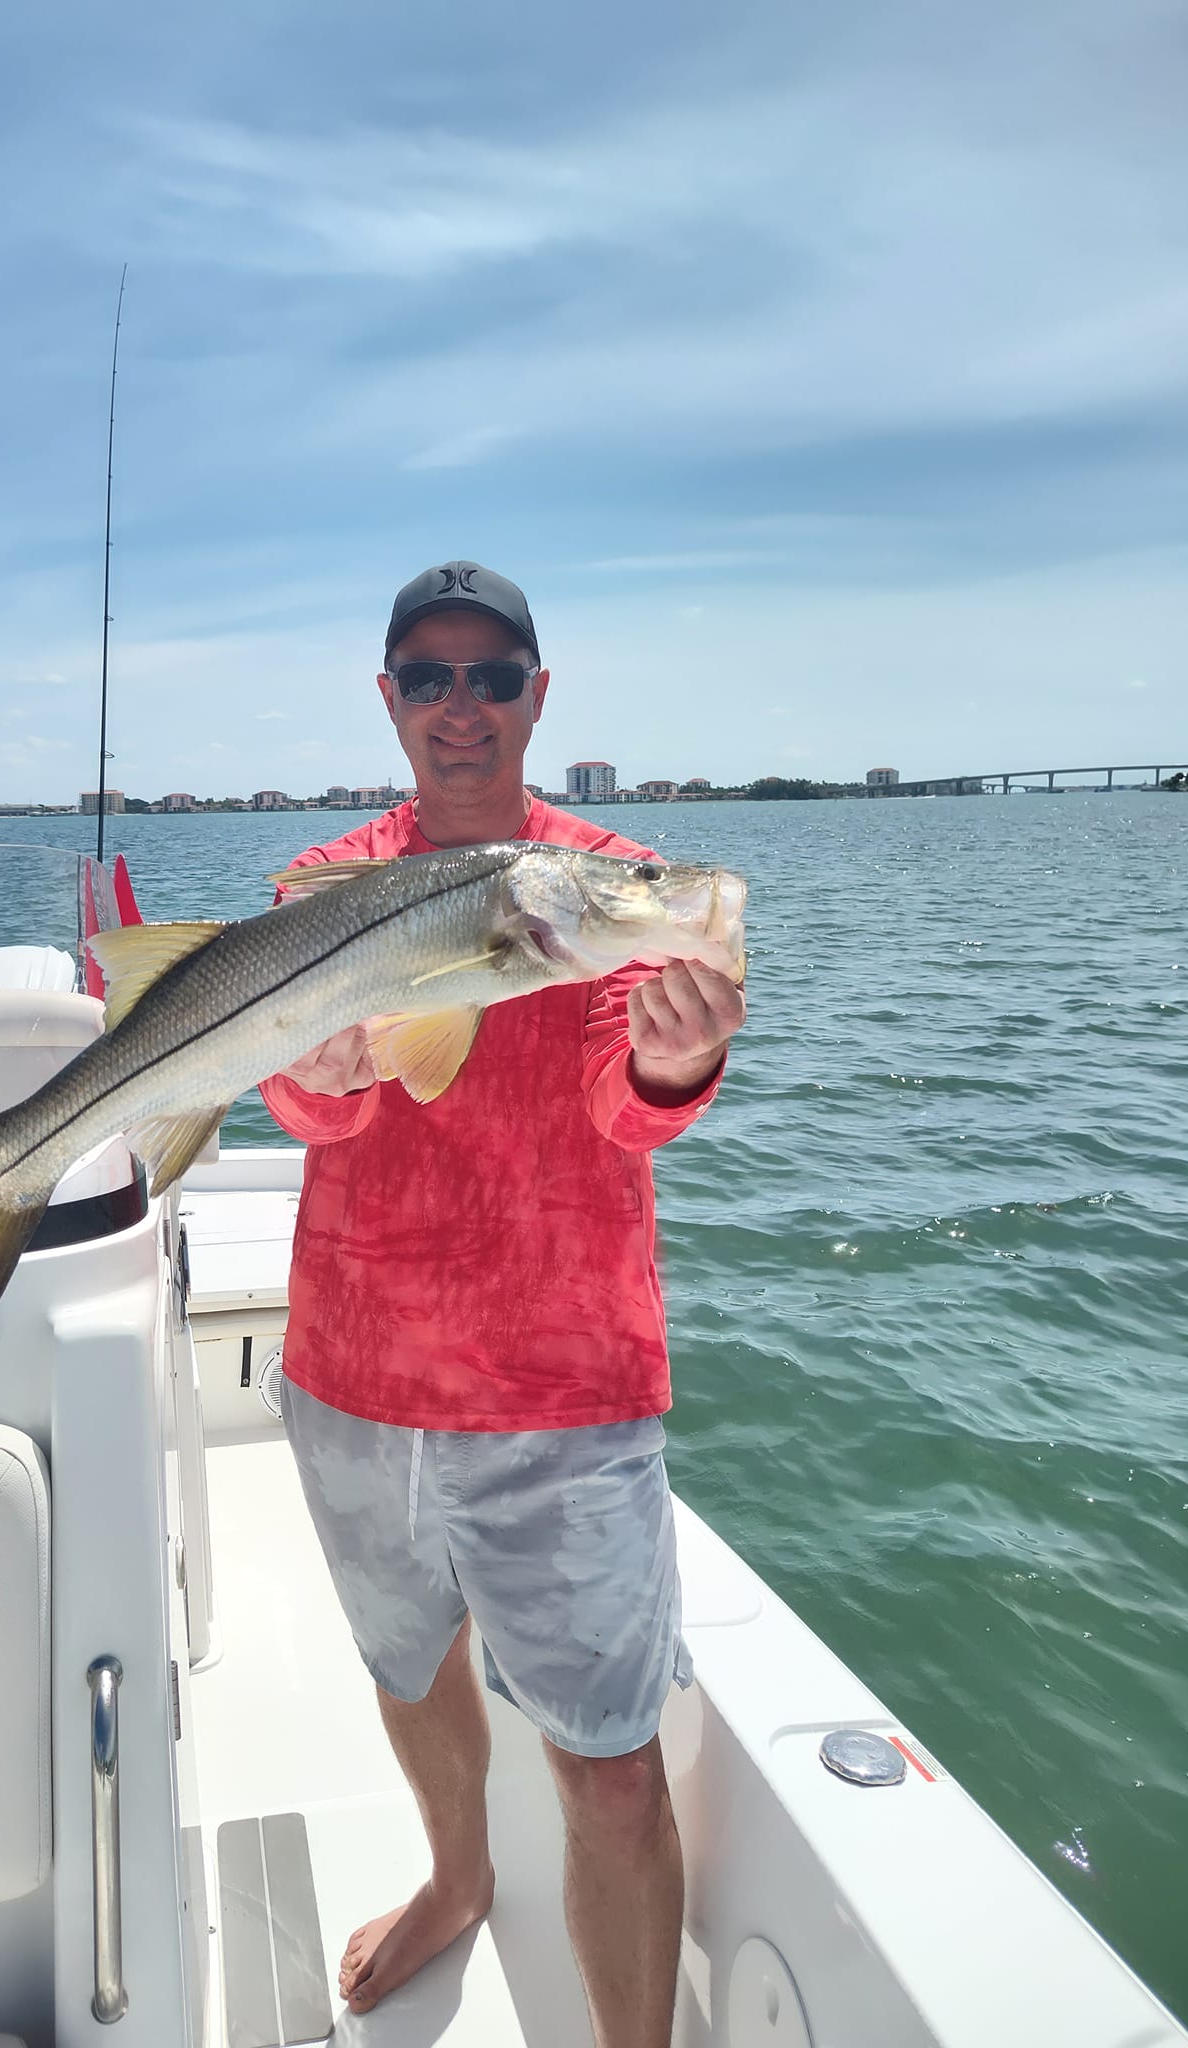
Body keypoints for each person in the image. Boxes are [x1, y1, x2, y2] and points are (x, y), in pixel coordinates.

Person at [258, 561, 745, 2047]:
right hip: (355, 1363)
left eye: (489, 677)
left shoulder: (611, 885)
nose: (457, 707)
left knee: (608, 1764)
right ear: (390, 700)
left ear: (538, 694)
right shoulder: (323, 888)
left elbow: (625, 1097)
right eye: (428, 677)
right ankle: (457, 1880)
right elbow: (308, 1104)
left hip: (568, 1381)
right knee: (412, 1666)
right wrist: (315, 1079)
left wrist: (671, 1061)